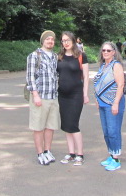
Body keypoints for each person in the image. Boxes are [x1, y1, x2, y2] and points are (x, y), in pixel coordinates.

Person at [26, 30, 60, 165]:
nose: (50, 41)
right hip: (40, 96)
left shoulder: (55, 56)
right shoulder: (34, 56)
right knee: (38, 126)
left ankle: (47, 151)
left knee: (50, 126)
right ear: (42, 41)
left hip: (53, 95)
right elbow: (30, 77)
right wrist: (35, 95)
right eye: (47, 39)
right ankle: (40, 153)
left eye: (52, 39)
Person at [57, 31, 89, 166]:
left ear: (73, 41)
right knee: (65, 125)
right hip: (62, 95)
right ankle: (71, 153)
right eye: (63, 40)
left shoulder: (81, 56)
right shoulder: (59, 56)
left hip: (76, 95)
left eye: (68, 40)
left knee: (73, 124)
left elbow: (86, 77)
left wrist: (85, 94)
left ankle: (80, 154)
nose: (66, 43)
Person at [94, 41, 126, 171]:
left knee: (113, 131)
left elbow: (121, 85)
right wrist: (97, 98)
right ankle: (111, 155)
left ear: (114, 52)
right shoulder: (103, 66)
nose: (105, 52)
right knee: (106, 132)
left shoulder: (116, 65)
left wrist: (116, 103)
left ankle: (116, 159)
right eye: (104, 50)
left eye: (108, 50)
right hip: (102, 103)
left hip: (113, 103)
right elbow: (98, 83)